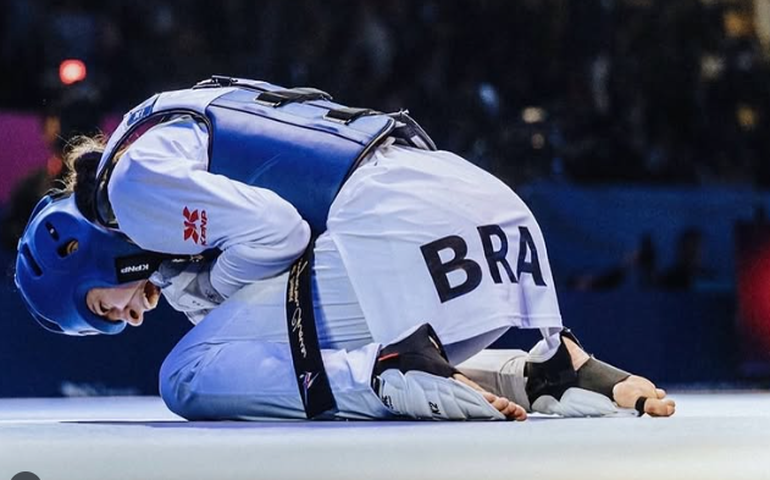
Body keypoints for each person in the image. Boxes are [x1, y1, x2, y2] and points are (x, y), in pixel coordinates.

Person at [16, 76, 675, 421]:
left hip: (395, 223)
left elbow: (280, 232)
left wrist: (214, 290)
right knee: (238, 335)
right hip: (483, 212)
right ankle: (541, 370)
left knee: (186, 374)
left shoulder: (132, 187)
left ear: (85, 250)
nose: (129, 318)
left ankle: (393, 374)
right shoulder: (162, 123)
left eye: (103, 307)